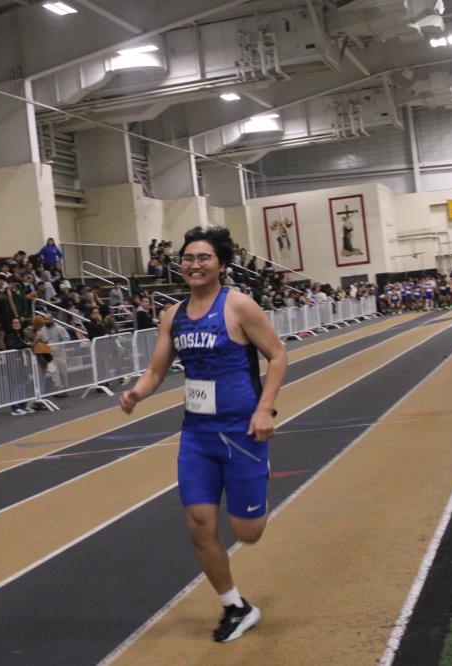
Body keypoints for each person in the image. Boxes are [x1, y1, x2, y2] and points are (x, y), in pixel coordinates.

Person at [119, 226, 287, 643]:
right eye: (188, 258)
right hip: (197, 435)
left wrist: (264, 409)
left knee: (247, 534)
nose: (194, 264)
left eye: (203, 257)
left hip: (241, 432)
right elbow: (157, 369)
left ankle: (257, 477)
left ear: (221, 264)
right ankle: (235, 606)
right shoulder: (172, 316)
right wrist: (138, 392)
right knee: (198, 523)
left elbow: (278, 355)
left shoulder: (238, 306)